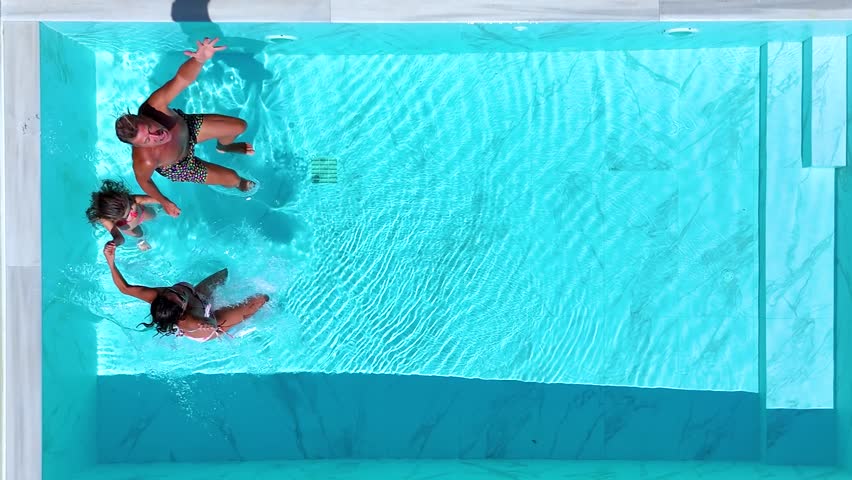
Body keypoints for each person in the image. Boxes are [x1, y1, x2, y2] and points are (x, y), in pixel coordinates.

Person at [114, 37, 256, 218]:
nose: (157, 136)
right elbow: (144, 181)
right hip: (181, 165)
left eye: (150, 128)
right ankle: (237, 182)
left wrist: (199, 60)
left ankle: (224, 147)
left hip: (187, 129)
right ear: (139, 146)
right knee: (233, 178)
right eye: (148, 140)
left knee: (240, 126)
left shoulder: (154, 107)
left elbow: (181, 79)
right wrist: (164, 201)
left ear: (146, 117)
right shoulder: (145, 161)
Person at [102, 241, 270, 341]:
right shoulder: (188, 320)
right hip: (211, 325)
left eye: (174, 293)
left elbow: (124, 288)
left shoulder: (156, 295)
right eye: (181, 300)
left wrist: (110, 261)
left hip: (200, 297)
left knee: (226, 273)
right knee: (260, 300)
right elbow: (211, 325)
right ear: (183, 312)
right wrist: (206, 324)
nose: (180, 294)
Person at [86, 179, 159, 251]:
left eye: (130, 205)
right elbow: (119, 238)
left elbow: (152, 199)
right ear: (114, 218)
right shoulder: (105, 218)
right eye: (127, 214)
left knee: (154, 214)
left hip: (142, 214)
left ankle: (158, 210)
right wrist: (113, 244)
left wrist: (164, 202)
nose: (131, 209)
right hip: (130, 229)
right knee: (139, 234)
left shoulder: (128, 200)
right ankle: (141, 241)